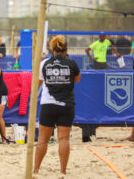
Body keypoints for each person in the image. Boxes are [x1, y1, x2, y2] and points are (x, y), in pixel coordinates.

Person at [34, 35, 81, 174]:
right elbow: (77, 79)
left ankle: (36, 170)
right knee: (64, 139)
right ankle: (63, 171)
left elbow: (39, 82)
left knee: (43, 140)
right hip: (66, 105)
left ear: (52, 49)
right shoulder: (72, 63)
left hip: (48, 104)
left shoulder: (45, 63)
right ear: (66, 49)